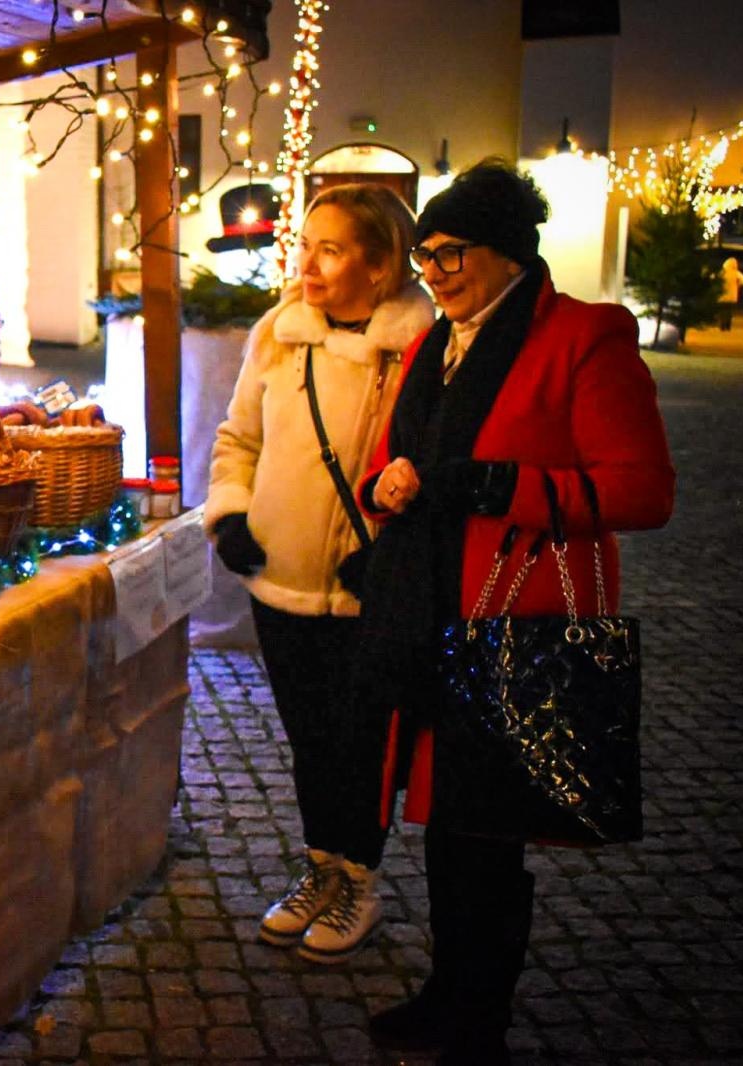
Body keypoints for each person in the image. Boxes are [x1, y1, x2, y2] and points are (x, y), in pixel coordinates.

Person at [355, 160, 675, 1064]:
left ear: (508, 252)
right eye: (425, 257)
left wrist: (498, 485)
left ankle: (477, 1017)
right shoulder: (435, 343)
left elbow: (642, 493)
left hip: (511, 624)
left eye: (452, 253)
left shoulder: (585, 336)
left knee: (486, 832)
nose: (436, 273)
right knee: (447, 826)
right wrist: (390, 486)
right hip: (426, 612)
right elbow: (404, 458)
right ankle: (449, 993)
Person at [205, 184, 436, 962]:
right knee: (309, 737)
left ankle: (360, 883)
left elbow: (433, 467)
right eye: (305, 244)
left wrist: (394, 552)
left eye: (330, 249)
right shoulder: (279, 333)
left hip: (365, 592)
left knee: (362, 742)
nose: (306, 262)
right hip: (280, 581)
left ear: (380, 266)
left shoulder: (420, 349)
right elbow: (238, 438)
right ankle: (320, 869)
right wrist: (231, 514)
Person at [718, 255, 743, 330]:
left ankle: (722, 326)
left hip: (721, 295)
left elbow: (713, 278)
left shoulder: (721, 272)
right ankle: (728, 326)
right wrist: (738, 284)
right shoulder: (736, 273)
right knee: (729, 311)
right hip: (732, 295)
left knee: (722, 311)